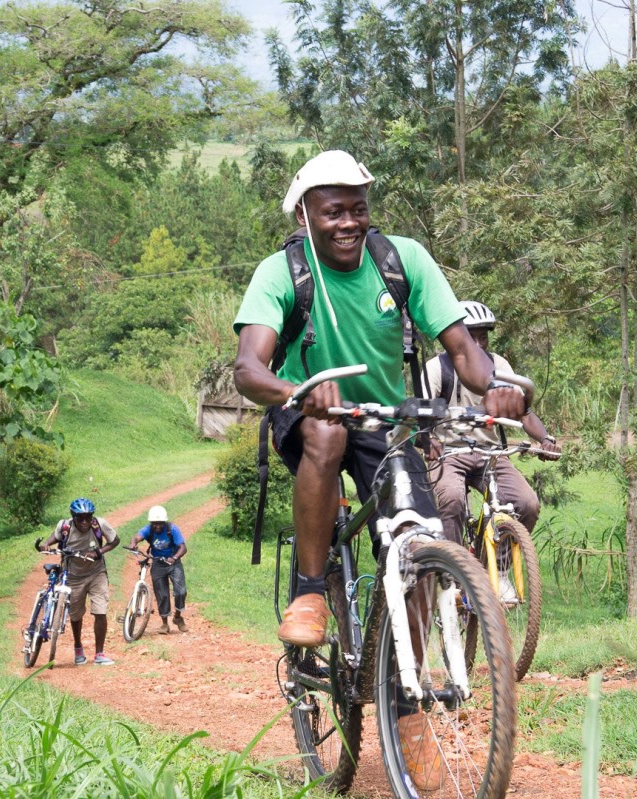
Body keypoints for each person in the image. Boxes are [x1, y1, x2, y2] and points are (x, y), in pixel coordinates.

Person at [232, 150, 527, 790]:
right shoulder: (281, 272)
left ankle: (410, 712)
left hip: (388, 416)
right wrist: (296, 390)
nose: (348, 222)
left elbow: (463, 350)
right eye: (333, 210)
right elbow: (248, 369)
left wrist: (497, 386)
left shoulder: (403, 261)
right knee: (327, 435)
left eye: (358, 208)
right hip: (309, 408)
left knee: (417, 538)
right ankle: (311, 590)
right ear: (305, 213)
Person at [425, 300, 561, 602]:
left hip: (489, 453)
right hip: (448, 453)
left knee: (526, 503)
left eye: (483, 336)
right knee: (450, 499)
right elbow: (421, 413)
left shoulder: (498, 366)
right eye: (470, 335)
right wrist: (426, 440)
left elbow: (523, 412)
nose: (477, 343)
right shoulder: (437, 368)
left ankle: (495, 572)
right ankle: (454, 577)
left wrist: (544, 440)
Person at [37, 497, 120, 666]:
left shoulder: (99, 524)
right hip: (73, 576)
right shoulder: (64, 526)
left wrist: (99, 552)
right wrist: (46, 544)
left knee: (100, 610)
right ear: (72, 517)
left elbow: (115, 540)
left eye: (88, 517)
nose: (84, 522)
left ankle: (99, 653)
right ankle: (78, 647)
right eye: (79, 518)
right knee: (75, 614)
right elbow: (55, 536)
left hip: (97, 573)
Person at [128, 505, 189, 634]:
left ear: (164, 522)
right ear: (151, 523)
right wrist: (133, 543)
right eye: (155, 524)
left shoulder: (172, 529)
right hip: (158, 564)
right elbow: (137, 537)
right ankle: (164, 624)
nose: (157, 526)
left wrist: (174, 557)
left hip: (174, 563)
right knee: (162, 595)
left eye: (160, 523)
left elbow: (183, 547)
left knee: (181, 591)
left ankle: (178, 617)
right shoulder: (148, 530)